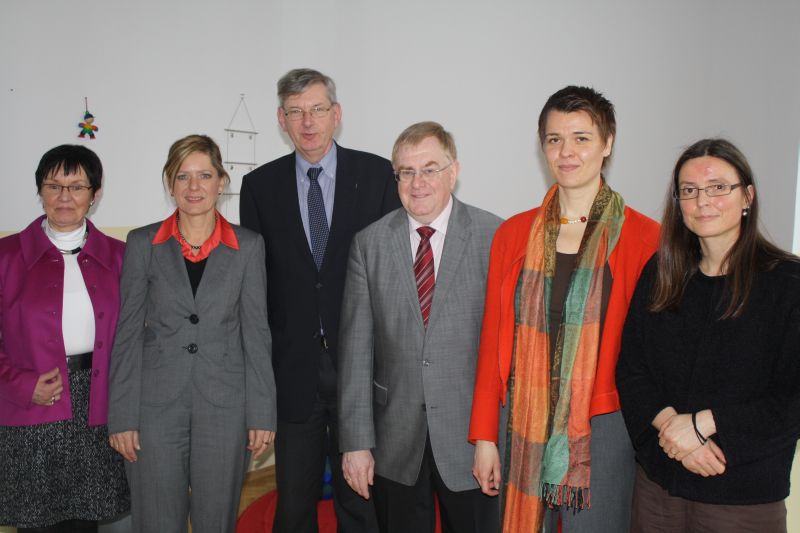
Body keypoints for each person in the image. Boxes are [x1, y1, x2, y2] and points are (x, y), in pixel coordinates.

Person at [469, 86, 660, 532]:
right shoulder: (513, 234)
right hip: (521, 419)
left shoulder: (646, 239)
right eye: (554, 139)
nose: (566, 151)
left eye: (581, 137)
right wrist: (483, 436)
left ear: (608, 143)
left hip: (603, 426)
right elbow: (493, 339)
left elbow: (653, 352)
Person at [240, 68, 400, 533]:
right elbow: (258, 286)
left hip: (363, 367)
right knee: (294, 502)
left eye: (317, 109)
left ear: (336, 114)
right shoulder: (260, 187)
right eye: (295, 112)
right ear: (281, 119)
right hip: (293, 369)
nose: (307, 121)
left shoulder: (375, 175)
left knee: (360, 496)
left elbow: (389, 274)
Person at [617, 138, 800, 533]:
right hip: (658, 489)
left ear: (747, 195)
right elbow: (632, 369)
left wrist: (703, 425)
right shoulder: (662, 273)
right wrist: (671, 428)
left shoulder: (788, 283)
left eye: (719, 187)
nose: (703, 201)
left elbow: (792, 400)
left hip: (741, 494)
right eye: (689, 190)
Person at [107, 134, 277, 533]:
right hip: (153, 409)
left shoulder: (249, 247)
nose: (194, 187)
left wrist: (262, 412)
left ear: (222, 181)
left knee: (215, 520)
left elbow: (256, 332)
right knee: (155, 520)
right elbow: (127, 332)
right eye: (183, 177)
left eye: (204, 175)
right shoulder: (142, 243)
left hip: (225, 406)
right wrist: (122, 417)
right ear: (170, 184)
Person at [338, 121, 502, 533]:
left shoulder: (494, 236)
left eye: (429, 168)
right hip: (396, 440)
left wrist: (496, 436)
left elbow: (506, 349)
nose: (418, 182)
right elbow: (356, 351)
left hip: (473, 439)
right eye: (406, 172)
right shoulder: (369, 244)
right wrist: (356, 443)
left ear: (454, 170)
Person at [0, 145, 129, 532]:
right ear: (40, 191)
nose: (65, 197)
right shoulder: (6, 257)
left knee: (87, 522)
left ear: (95, 193)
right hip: (33, 408)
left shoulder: (123, 257)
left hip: (99, 407)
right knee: (38, 523)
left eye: (76, 186)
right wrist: (22, 385)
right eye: (54, 185)